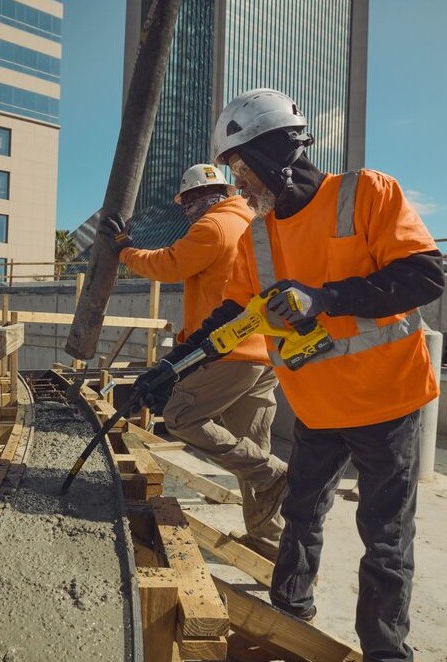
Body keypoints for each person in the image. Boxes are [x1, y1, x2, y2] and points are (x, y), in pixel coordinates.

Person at [131, 88, 444, 662]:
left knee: (385, 540)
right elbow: (230, 316)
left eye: (242, 170)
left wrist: (324, 297)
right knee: (299, 513)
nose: (240, 185)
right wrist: (170, 369)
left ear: (275, 152)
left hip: (388, 401)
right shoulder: (257, 235)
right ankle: (287, 621)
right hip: (319, 408)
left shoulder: (366, 193)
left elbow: (425, 275)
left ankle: (386, 653)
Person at [99, 163, 288, 561]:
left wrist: (124, 249)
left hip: (229, 349)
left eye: (186, 203)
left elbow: (168, 264)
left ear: (200, 198)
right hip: (264, 352)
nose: (185, 211)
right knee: (250, 450)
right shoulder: (253, 221)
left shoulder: (213, 226)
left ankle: (277, 473)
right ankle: (269, 543)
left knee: (183, 417)